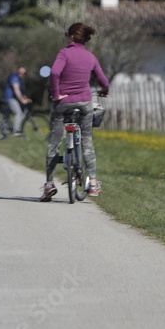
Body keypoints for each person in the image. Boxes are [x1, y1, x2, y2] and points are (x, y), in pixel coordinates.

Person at [41, 23, 110, 202]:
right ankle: (93, 182)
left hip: (63, 104)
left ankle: (49, 183)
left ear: (71, 37)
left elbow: (55, 73)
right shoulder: (90, 56)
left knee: (54, 143)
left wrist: (56, 95)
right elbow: (103, 80)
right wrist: (105, 89)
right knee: (87, 142)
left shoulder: (64, 53)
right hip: (85, 103)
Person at [4, 66, 32, 134]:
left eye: (23, 73)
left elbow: (21, 92)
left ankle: (12, 128)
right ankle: (15, 131)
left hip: (14, 98)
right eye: (20, 72)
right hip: (9, 98)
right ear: (17, 71)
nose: (22, 74)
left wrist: (25, 98)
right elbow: (16, 89)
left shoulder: (20, 80)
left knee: (20, 113)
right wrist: (22, 100)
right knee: (18, 112)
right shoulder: (14, 77)